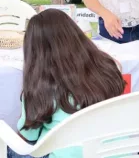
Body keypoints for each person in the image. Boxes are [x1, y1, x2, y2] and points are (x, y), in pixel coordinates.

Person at [8, 9, 126, 158]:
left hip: (70, 153)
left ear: (34, 52)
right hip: (117, 151)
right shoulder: (108, 67)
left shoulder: (41, 87)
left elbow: (28, 137)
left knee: (15, 146)